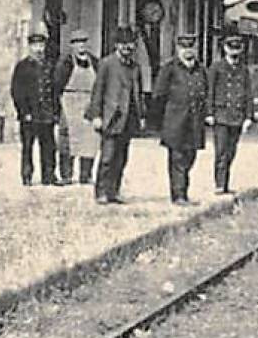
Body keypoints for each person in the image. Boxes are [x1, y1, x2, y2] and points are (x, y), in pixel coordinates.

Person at [87, 28, 145, 205]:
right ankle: (101, 192)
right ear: (116, 45)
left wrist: (141, 115)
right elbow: (98, 91)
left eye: (130, 44)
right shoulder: (106, 64)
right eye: (123, 44)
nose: (127, 47)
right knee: (107, 157)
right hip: (111, 118)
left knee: (121, 157)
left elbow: (138, 93)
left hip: (129, 119)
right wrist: (96, 115)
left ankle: (114, 191)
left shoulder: (135, 67)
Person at [155, 34, 207, 204]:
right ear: (178, 49)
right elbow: (159, 96)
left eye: (191, 48)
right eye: (184, 48)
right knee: (177, 159)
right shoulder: (169, 68)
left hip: (194, 123)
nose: (188, 51)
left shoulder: (200, 70)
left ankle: (182, 192)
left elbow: (205, 93)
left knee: (190, 157)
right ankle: (179, 195)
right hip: (175, 123)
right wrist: (162, 123)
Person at [205, 34, 254, 195]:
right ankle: (219, 184)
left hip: (237, 116)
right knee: (221, 151)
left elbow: (248, 94)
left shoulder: (243, 69)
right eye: (231, 48)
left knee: (231, 151)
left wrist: (248, 116)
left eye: (237, 49)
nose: (234, 52)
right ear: (225, 49)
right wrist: (209, 113)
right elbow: (210, 91)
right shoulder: (216, 67)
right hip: (221, 115)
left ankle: (225, 183)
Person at [10, 30, 59, 187]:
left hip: (46, 113)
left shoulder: (49, 65)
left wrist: (55, 111)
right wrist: (24, 112)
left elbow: (54, 90)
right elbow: (16, 91)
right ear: (30, 47)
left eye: (41, 45)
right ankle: (27, 175)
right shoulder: (23, 66)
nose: (39, 48)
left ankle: (49, 175)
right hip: (30, 114)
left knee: (49, 146)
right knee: (28, 146)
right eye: (35, 45)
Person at [53, 30, 100, 185]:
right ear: (71, 45)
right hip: (69, 102)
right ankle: (66, 175)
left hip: (88, 102)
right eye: (77, 42)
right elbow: (57, 86)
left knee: (90, 139)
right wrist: (59, 108)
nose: (81, 46)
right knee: (68, 140)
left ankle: (85, 175)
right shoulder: (65, 63)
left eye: (83, 42)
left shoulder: (95, 62)